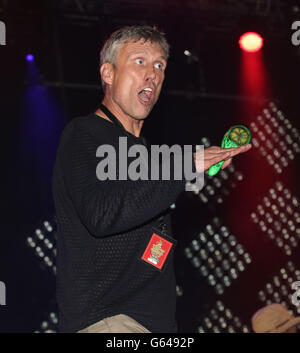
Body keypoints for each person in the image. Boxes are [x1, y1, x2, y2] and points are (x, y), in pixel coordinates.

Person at [52, 25, 252, 333]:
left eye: (159, 65)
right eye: (140, 61)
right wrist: (185, 165)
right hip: (107, 322)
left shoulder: (146, 152)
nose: (153, 73)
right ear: (108, 73)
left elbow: (145, 209)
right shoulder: (84, 134)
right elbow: (101, 216)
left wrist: (196, 171)